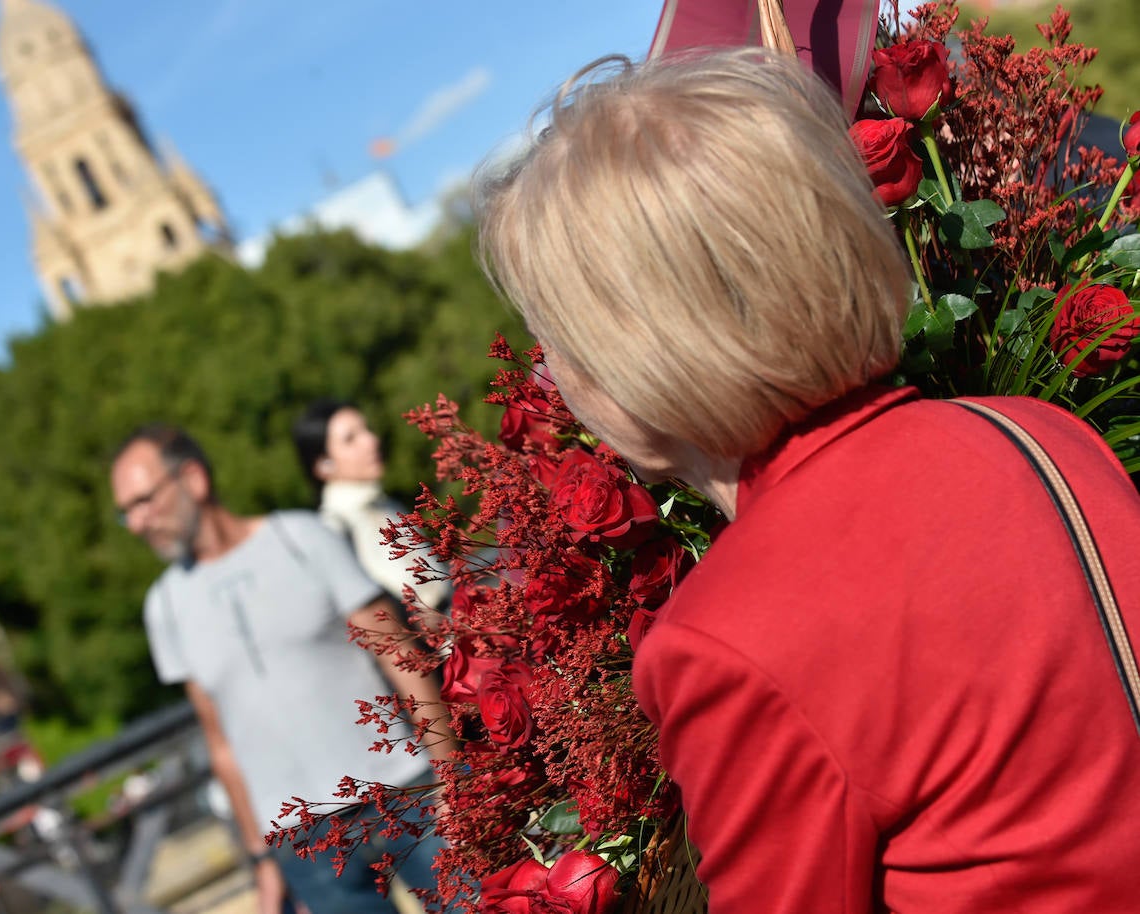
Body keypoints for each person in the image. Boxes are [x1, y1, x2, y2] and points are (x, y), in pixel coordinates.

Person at [476, 48, 1140, 913]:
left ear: (638, 354)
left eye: (555, 339)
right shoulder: (1038, 432)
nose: (549, 376)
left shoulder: (726, 636)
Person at [110, 424, 453, 914]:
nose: (138, 522)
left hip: (407, 792)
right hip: (306, 843)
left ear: (192, 479)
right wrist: (261, 861)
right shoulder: (163, 606)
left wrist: (450, 770)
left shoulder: (301, 537)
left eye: (144, 501)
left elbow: (396, 650)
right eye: (126, 512)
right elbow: (220, 743)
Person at [291, 399, 450, 627]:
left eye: (367, 430)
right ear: (323, 465)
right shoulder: (335, 530)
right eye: (350, 439)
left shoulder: (385, 504)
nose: (371, 441)